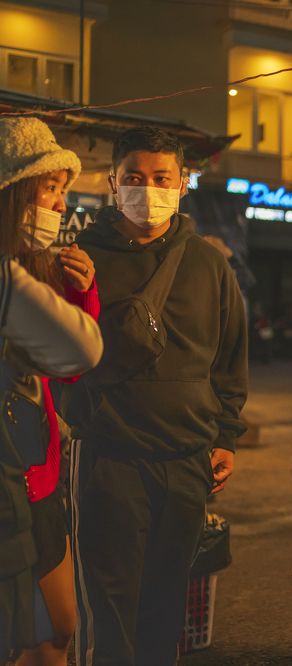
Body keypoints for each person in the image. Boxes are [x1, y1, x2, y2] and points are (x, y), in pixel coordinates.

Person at [66, 127, 248, 666]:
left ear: (183, 183)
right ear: (112, 183)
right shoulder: (81, 258)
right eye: (134, 178)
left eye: (161, 178)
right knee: (110, 601)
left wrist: (227, 437)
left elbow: (229, 358)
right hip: (109, 455)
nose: (148, 190)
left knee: (166, 599)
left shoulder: (210, 264)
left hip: (188, 459)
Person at [0, 117, 103, 665]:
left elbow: (69, 367)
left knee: (59, 626)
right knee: (23, 635)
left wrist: (83, 295)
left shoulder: (35, 268)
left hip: (41, 480)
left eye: (63, 191)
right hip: (9, 487)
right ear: (13, 189)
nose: (60, 205)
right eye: (50, 188)